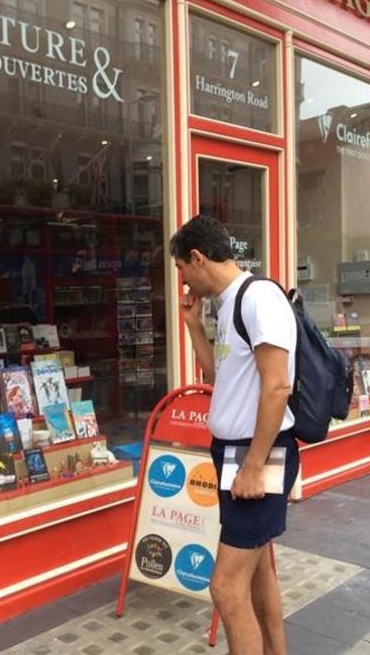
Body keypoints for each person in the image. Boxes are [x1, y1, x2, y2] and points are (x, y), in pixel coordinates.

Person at [172, 215, 297, 655]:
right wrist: (193, 325)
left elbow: (278, 385)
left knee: (225, 588)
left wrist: (254, 465)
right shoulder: (228, 305)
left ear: (198, 257)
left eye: (182, 269)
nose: (182, 281)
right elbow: (219, 377)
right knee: (258, 572)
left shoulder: (259, 298)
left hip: (255, 455)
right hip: (235, 453)